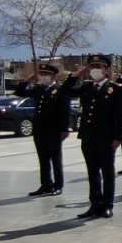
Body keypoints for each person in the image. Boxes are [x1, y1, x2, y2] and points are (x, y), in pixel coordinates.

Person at [70, 54, 122, 218]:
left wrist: (118, 138)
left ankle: (108, 205)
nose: (95, 70)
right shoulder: (87, 88)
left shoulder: (114, 89)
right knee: (92, 171)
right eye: (92, 67)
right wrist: (76, 75)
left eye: (99, 66)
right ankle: (95, 204)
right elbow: (65, 92)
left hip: (107, 138)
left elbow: (121, 116)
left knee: (107, 172)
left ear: (107, 70)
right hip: (88, 136)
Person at [15, 64, 73, 196]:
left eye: (46, 74)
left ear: (53, 76)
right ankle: (46, 184)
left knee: (56, 159)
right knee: (43, 158)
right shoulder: (39, 89)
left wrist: (64, 129)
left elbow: (65, 111)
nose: (43, 77)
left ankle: (58, 185)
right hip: (40, 129)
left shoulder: (60, 90)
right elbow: (19, 92)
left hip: (54, 129)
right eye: (41, 74)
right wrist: (28, 79)